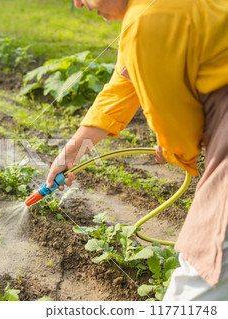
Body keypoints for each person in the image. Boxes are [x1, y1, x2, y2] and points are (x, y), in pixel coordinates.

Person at [46, 0, 228, 300]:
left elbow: (176, 124)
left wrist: (172, 147)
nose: (78, 2)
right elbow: (121, 87)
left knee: (202, 276)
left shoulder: (146, 19)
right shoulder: (148, 12)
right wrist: (71, 153)